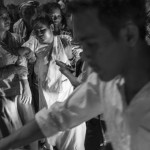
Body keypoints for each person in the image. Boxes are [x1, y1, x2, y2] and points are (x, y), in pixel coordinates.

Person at [0, 0, 150, 150]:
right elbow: (59, 117)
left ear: (129, 35)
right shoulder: (107, 82)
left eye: (91, 43)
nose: (84, 56)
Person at [23, 14, 86, 150]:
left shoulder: (63, 41)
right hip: (47, 103)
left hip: (66, 102)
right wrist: (28, 54)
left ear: (51, 27)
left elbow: (78, 59)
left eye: (42, 30)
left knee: (72, 142)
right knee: (50, 143)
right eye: (36, 31)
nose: (39, 34)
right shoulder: (34, 44)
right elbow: (24, 50)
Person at [0, 6, 37, 150]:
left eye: (7, 16)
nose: (7, 19)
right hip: (5, 94)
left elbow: (25, 62)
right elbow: (18, 64)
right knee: (13, 131)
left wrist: (30, 54)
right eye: (2, 17)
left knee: (30, 126)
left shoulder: (15, 38)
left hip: (21, 89)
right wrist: (13, 68)